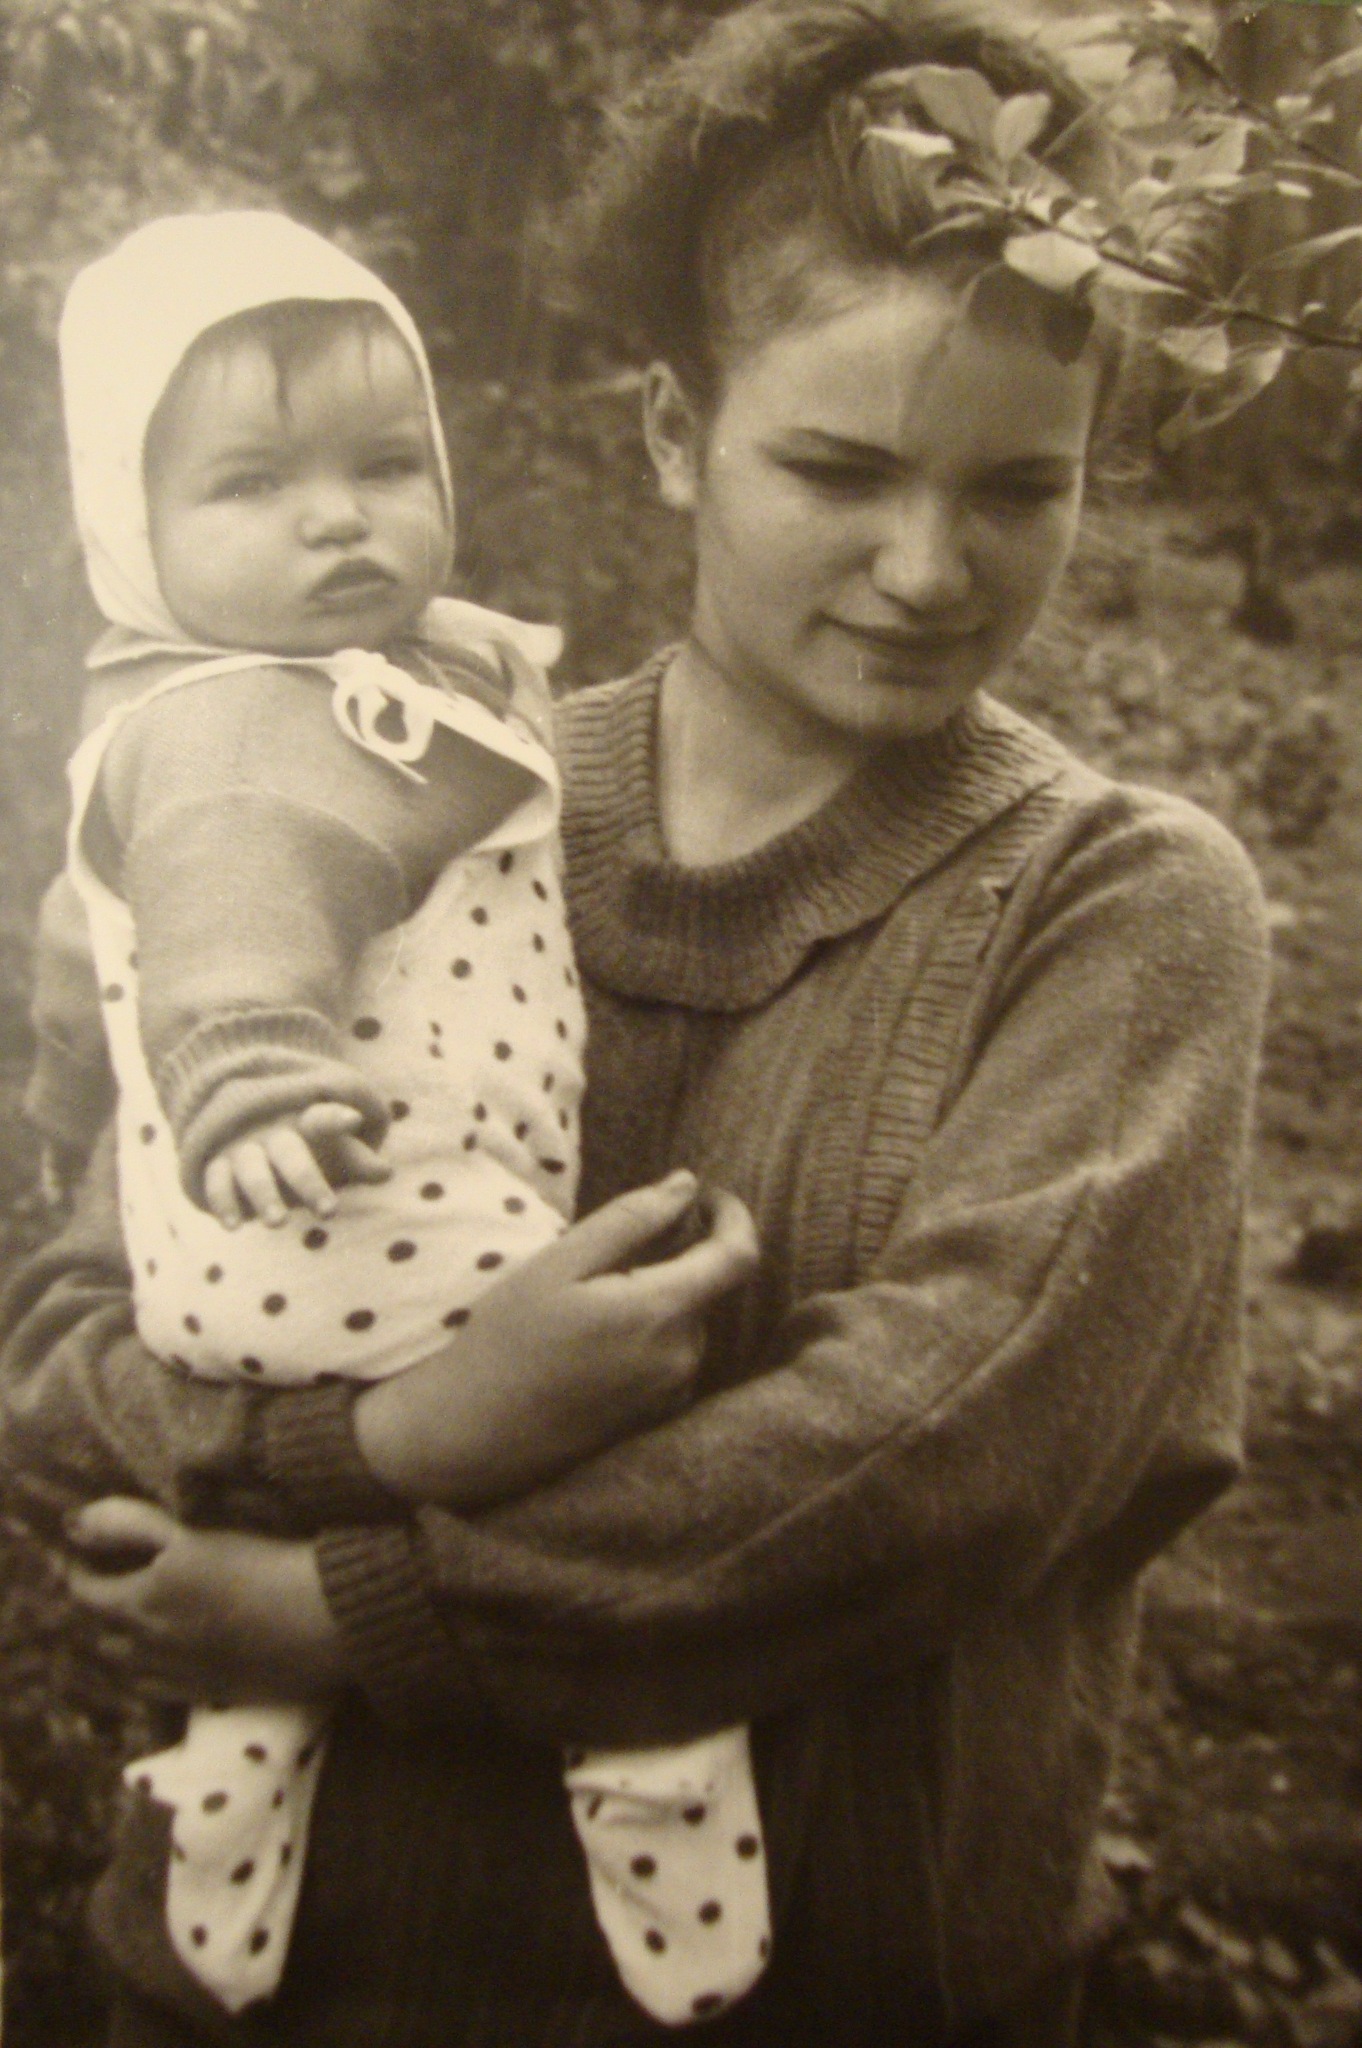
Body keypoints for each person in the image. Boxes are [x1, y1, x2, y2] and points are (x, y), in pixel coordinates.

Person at [0, 2, 1273, 2043]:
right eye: (837, 469)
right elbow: (69, 1358)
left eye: (1018, 489)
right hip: (262, 1998)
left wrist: (339, 1609)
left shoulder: (1120, 909)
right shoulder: (358, 796)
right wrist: (394, 1435)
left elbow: (928, 1475)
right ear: (677, 432)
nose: (927, 567)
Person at [22, 209, 769, 2027]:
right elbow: (241, 885)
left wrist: (81, 1110)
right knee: (619, 1413)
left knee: (299, 1583)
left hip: (234, 1288)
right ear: (127, 522)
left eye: (383, 464)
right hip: (370, 1217)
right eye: (252, 484)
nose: (336, 521)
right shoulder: (239, 726)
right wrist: (245, 1057)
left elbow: (72, 996)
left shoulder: (318, 690)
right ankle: (651, 1756)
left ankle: (239, 1747)